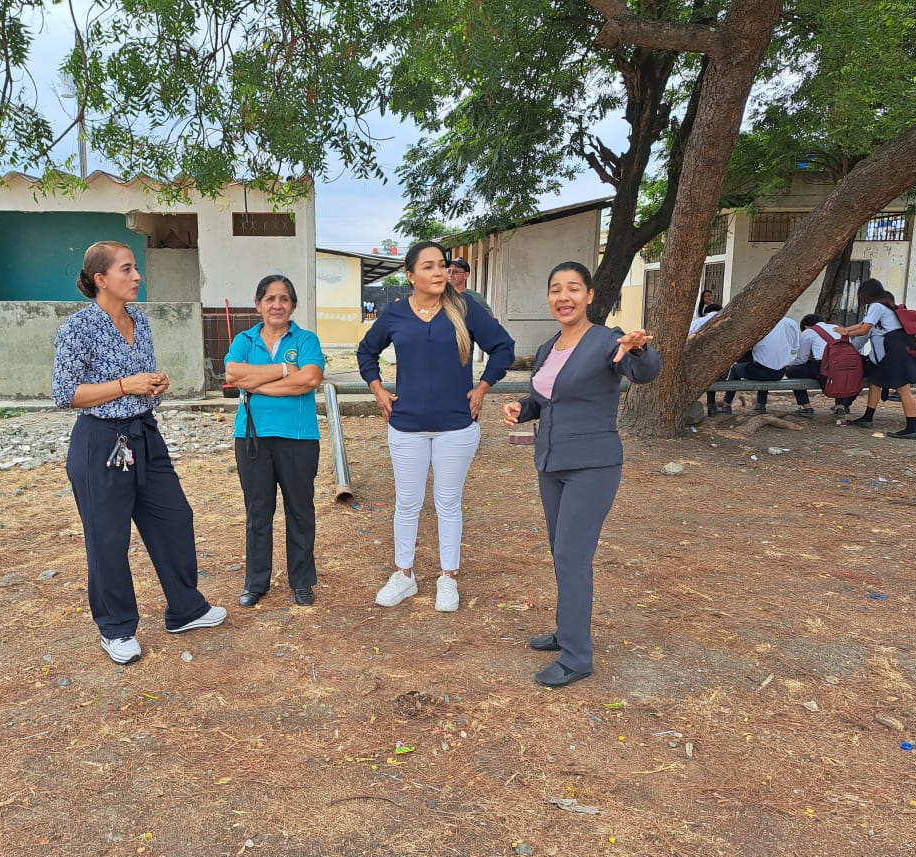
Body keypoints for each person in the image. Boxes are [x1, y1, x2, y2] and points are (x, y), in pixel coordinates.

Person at [53, 241, 227, 665]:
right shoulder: (77, 328)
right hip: (101, 442)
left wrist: (153, 384)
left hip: (145, 434)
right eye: (127, 269)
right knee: (108, 538)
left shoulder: (140, 322)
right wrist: (125, 386)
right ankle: (116, 628)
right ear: (101, 279)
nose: (137, 276)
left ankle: (186, 609)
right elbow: (65, 393)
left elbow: (138, 378)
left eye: (135, 269)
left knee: (174, 517)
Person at [503, 261, 660, 688]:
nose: (564, 297)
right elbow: (543, 399)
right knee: (561, 553)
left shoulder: (607, 340)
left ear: (590, 295)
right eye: (556, 289)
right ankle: (567, 629)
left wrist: (639, 350)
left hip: (592, 465)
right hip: (551, 463)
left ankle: (576, 657)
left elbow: (644, 373)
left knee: (573, 557)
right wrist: (521, 408)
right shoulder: (548, 347)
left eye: (573, 288)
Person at [357, 241, 515, 612]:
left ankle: (448, 577)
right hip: (406, 426)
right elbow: (366, 351)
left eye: (442, 265)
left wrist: (483, 387)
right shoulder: (395, 314)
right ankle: (404, 575)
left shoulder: (465, 309)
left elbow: (503, 347)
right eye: (428, 266)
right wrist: (378, 390)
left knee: (448, 504)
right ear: (411, 275)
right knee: (406, 504)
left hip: (456, 427)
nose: (439, 272)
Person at [224, 275, 325, 607]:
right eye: (270, 298)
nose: (277, 305)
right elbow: (232, 374)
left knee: (300, 510)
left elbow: (310, 378)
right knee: (258, 511)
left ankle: (302, 582)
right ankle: (256, 583)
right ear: (258, 304)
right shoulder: (245, 340)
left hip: (298, 437)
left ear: (293, 305)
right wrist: (285, 370)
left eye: (284, 299)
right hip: (252, 437)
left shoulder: (306, 339)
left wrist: (255, 384)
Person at [835, 279, 916, 439]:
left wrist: (846, 333)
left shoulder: (876, 306)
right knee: (875, 382)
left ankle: (912, 428)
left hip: (893, 353)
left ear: (866, 294)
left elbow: (864, 330)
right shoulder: (887, 306)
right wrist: (845, 330)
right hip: (892, 352)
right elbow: (862, 324)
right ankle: (868, 417)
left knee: (903, 389)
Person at [711, 315, 799, 414]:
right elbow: (794, 349)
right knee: (764, 362)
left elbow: (747, 346)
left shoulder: (760, 323)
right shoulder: (791, 323)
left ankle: (726, 404)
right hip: (780, 372)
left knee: (736, 369)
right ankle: (761, 404)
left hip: (760, 371)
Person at [784, 314, 855, 416]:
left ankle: (806, 406)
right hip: (847, 367)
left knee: (792, 372)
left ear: (806, 326)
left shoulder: (809, 332)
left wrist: (788, 364)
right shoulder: (839, 328)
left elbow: (801, 359)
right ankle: (840, 407)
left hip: (823, 367)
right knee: (839, 371)